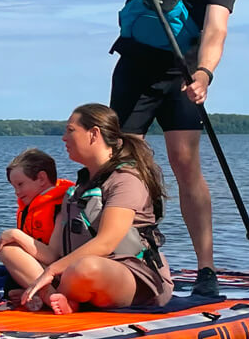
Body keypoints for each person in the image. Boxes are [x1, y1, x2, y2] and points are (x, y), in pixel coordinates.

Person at [106, 0, 235, 299]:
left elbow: (216, 29)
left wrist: (204, 74)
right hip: (135, 69)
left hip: (183, 73)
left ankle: (206, 269)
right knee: (125, 165)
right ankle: (124, 257)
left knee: (184, 162)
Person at [21, 104, 171, 314]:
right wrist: (16, 238)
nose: (64, 138)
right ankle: (54, 297)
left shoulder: (126, 180)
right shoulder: (76, 190)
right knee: (11, 250)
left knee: (85, 268)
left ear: (94, 134)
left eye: (70, 130)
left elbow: (107, 242)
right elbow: (54, 252)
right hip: (73, 274)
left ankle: (57, 295)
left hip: (133, 276)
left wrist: (52, 271)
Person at [0, 148, 73, 298]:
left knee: (8, 249)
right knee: (9, 251)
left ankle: (50, 298)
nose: (16, 192)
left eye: (20, 184)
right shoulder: (29, 208)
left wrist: (16, 234)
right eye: (14, 187)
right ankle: (36, 295)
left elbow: (52, 256)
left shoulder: (61, 207)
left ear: (42, 179)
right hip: (43, 271)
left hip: (62, 273)